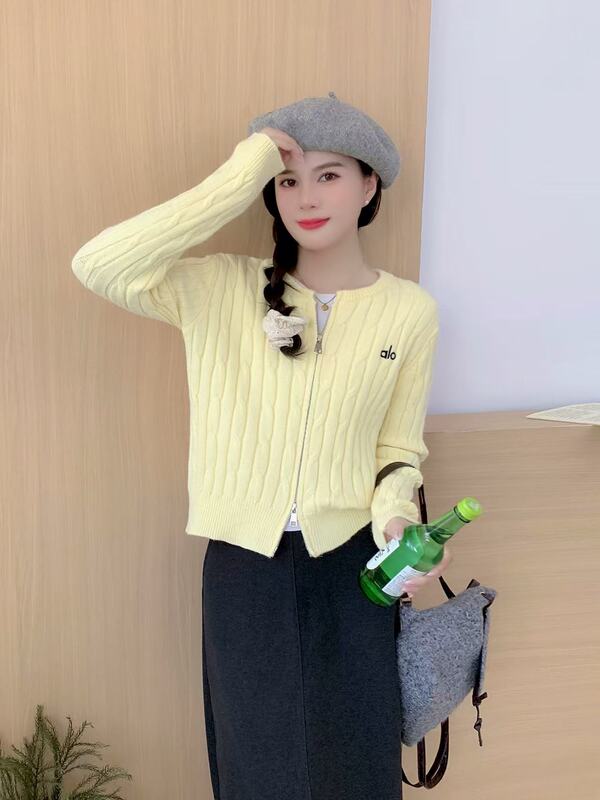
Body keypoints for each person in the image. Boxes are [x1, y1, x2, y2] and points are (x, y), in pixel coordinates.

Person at [71, 91, 451, 800]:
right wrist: (244, 170)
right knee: (259, 763)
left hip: (354, 567)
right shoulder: (217, 288)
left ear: (369, 184)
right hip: (244, 566)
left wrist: (397, 515)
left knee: (357, 759)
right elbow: (100, 265)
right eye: (287, 180)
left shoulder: (410, 310)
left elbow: (399, 447)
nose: (306, 197)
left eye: (328, 175)